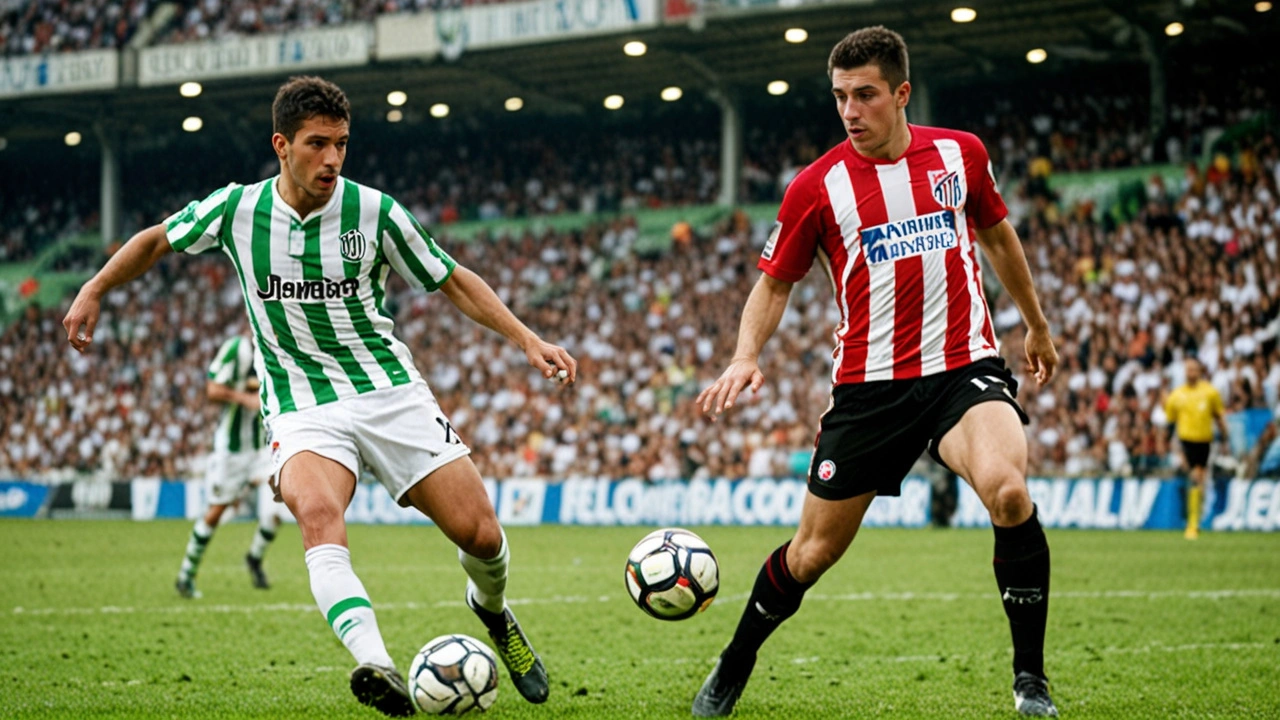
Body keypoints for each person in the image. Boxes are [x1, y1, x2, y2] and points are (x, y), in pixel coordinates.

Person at [63, 75, 576, 717]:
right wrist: (95, 287)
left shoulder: (376, 212)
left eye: (341, 144)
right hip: (301, 404)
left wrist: (527, 339)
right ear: (282, 145)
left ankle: (493, 612)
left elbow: (452, 279)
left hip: (388, 390)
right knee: (316, 517)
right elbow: (155, 241)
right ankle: (377, 664)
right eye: (317, 144)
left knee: (480, 535)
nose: (332, 159)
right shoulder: (236, 210)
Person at [693, 26, 1060, 718]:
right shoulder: (816, 186)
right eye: (839, 98)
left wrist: (1036, 325)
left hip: (965, 370)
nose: (850, 111)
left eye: (864, 96)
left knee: (1009, 493)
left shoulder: (961, 154)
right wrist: (746, 354)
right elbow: (774, 284)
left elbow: (997, 236)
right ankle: (734, 661)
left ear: (901, 94)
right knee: (811, 555)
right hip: (871, 390)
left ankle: (1030, 681)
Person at [175, 334, 282, 599]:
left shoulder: (280, 346)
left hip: (262, 449)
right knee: (216, 512)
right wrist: (244, 398)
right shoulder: (237, 349)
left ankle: (254, 559)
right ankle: (186, 574)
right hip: (232, 451)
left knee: (277, 510)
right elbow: (212, 389)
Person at [1162, 357, 1228, 540]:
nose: (1191, 373)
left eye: (1194, 370)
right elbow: (1170, 420)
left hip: (1204, 442)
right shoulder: (1177, 394)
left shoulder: (1209, 393)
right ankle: (1192, 523)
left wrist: (1225, 437)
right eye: (1188, 370)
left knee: (1199, 479)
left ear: (1200, 371)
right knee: (1195, 477)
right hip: (1185, 442)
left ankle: (1194, 520)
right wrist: (1167, 441)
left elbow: (1219, 416)